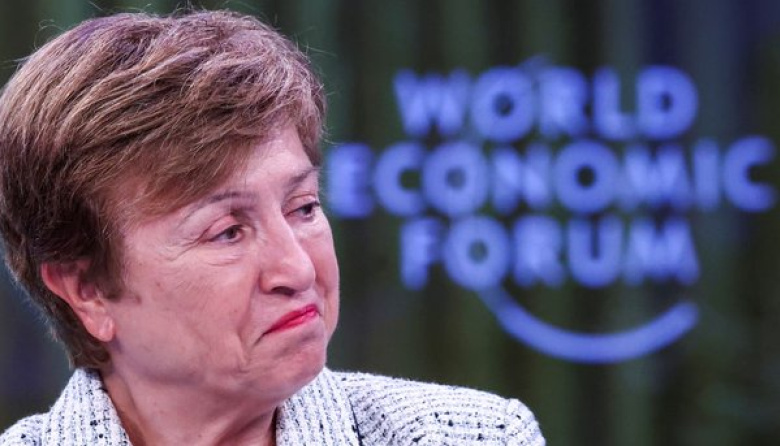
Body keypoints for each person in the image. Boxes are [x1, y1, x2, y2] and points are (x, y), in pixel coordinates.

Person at [0, 10, 544, 446]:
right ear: (87, 289)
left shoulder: (473, 436)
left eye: (303, 208)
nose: (298, 269)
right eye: (227, 232)